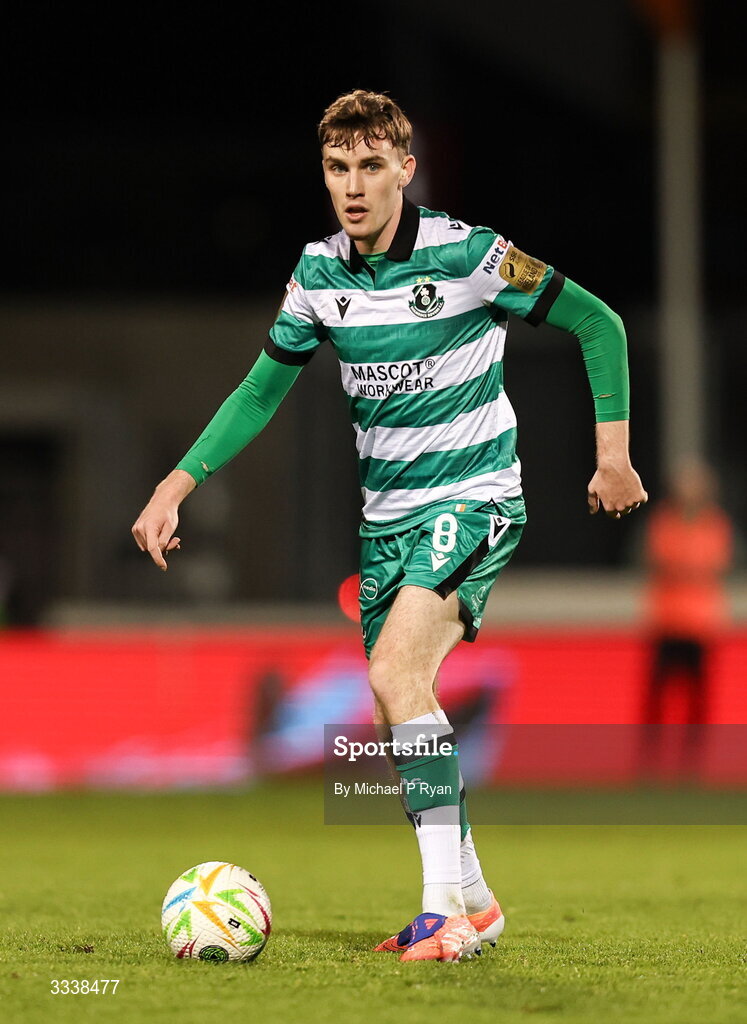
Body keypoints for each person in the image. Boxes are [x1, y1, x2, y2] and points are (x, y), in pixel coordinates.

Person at [132, 90, 647, 962]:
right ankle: (475, 899)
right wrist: (177, 483)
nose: (353, 186)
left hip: (475, 501)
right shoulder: (317, 277)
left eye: (372, 166)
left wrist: (612, 455)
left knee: (394, 667)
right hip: (385, 527)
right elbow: (262, 389)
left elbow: (598, 321)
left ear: (406, 170)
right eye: (338, 168)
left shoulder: (476, 257)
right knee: (392, 704)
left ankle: (442, 913)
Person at [639, 457, 732, 780]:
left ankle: (692, 764)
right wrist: (690, 566)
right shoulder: (664, 521)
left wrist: (686, 566)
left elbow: (711, 563)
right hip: (667, 622)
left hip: (700, 626)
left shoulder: (714, 524)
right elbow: (664, 559)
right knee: (656, 698)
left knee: (698, 700)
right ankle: (650, 761)